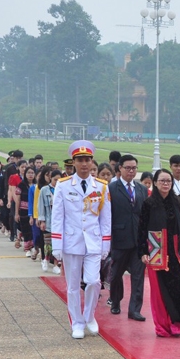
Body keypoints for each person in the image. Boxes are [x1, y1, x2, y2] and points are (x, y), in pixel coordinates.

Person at [51, 140, 112, 339]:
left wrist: (105, 243)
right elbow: (58, 216)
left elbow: (105, 218)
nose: (84, 164)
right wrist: (56, 244)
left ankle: (89, 315)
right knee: (73, 285)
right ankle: (77, 322)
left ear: (92, 162)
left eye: (87, 160)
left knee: (94, 281)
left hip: (93, 240)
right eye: (80, 160)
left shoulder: (101, 187)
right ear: (74, 162)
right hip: (71, 241)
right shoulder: (63, 185)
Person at [137, 169, 180, 337]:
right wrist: (142, 252)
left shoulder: (176, 202)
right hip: (156, 252)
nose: (165, 184)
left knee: (177, 288)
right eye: (162, 181)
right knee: (159, 292)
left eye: (168, 181)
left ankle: (176, 322)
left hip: (175, 253)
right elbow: (141, 229)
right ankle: (162, 326)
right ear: (155, 183)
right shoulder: (148, 203)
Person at [108, 154, 147, 321]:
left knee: (138, 277)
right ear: (120, 169)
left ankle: (135, 309)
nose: (131, 171)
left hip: (138, 240)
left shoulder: (142, 189)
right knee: (116, 274)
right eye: (128, 168)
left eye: (134, 168)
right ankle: (116, 301)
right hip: (119, 238)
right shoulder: (111, 188)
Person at [38, 169, 62, 274]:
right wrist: (41, 220)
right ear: (50, 179)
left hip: (59, 222)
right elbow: (41, 206)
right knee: (47, 243)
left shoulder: (62, 189)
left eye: (59, 180)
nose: (57, 182)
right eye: (55, 179)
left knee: (57, 244)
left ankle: (56, 264)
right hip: (48, 219)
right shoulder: (44, 190)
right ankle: (46, 259)